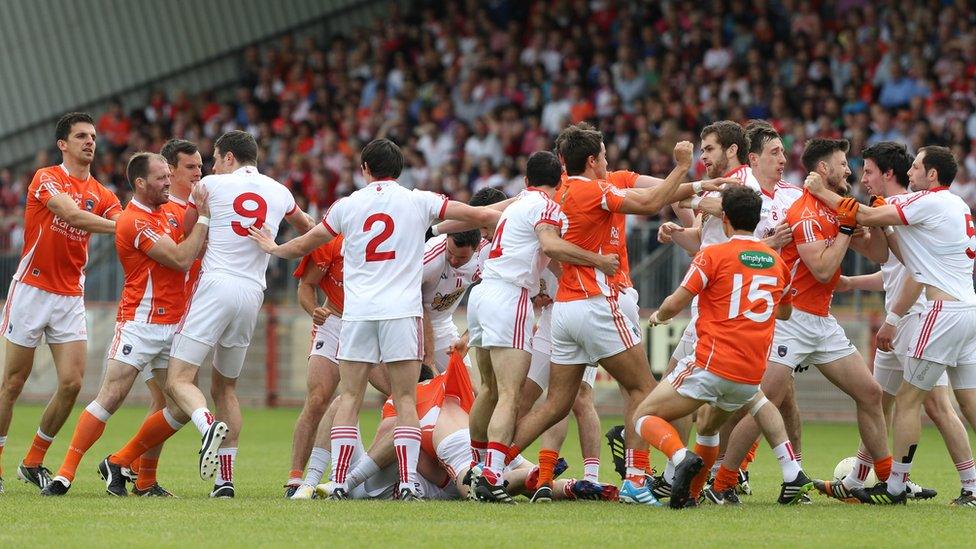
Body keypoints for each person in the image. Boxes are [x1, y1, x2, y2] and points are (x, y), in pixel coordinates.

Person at [249, 138, 500, 500]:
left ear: (364, 168)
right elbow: (481, 215)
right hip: (401, 313)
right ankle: (409, 482)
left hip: (358, 314)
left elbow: (306, 243)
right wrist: (517, 208)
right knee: (407, 400)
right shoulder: (419, 200)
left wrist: (273, 248)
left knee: (349, 395)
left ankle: (337, 480)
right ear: (400, 169)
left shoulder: (347, 205)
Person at [503, 125, 695, 506]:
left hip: (566, 308)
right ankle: (636, 480)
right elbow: (648, 202)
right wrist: (681, 167)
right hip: (597, 301)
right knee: (642, 389)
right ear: (591, 161)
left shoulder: (559, 193)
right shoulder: (595, 188)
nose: (607, 162)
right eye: (604, 156)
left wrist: (707, 185)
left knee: (557, 403)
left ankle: (493, 466)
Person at [710, 138, 892, 502]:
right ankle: (721, 483)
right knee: (767, 400)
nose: (848, 170)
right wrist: (844, 228)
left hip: (821, 322)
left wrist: (865, 229)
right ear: (823, 169)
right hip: (790, 320)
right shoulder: (806, 213)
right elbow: (823, 271)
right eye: (842, 163)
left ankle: (890, 483)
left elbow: (880, 255)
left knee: (870, 393)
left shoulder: (832, 207)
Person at [805, 145, 976, 507]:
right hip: (961, 308)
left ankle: (898, 483)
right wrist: (854, 279)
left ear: (930, 175)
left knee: (918, 404)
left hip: (929, 316)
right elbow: (897, 259)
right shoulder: (955, 204)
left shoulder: (919, 202)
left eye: (867, 171)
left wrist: (821, 192)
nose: (861, 177)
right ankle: (857, 478)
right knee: (879, 401)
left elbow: (913, 271)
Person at [40, 152, 209, 497]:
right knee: (111, 396)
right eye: (161, 177)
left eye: (168, 175)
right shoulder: (133, 220)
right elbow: (180, 259)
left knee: (175, 406)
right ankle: (64, 474)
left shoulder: (171, 212)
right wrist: (205, 219)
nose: (167, 182)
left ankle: (124, 463)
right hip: (140, 323)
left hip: (174, 324)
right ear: (141, 183)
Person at [635, 185, 812, 509]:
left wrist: (659, 316)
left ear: (725, 220)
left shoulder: (714, 255)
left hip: (712, 362)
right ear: (757, 220)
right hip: (749, 373)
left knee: (643, 416)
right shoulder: (777, 263)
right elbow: (785, 312)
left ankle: (678, 457)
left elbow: (677, 302)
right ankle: (692, 494)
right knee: (709, 428)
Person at [160, 130, 315, 498]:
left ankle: (206, 424)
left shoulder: (212, 185)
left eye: (214, 159)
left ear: (229, 158)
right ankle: (224, 481)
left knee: (178, 380)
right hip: (252, 292)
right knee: (226, 387)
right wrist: (276, 248)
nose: (210, 167)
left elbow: (187, 234)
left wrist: (206, 221)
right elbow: (311, 229)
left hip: (215, 284)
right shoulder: (280, 192)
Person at [464, 151, 619, 503]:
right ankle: (490, 474)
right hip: (510, 298)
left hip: (482, 295)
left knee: (488, 390)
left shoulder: (516, 205)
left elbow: (537, 254)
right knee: (510, 394)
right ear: (560, 180)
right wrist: (598, 262)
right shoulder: (547, 207)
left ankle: (477, 465)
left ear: (526, 180)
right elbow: (550, 245)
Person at [0, 112, 120, 493]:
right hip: (32, 291)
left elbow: (129, 220)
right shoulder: (46, 178)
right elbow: (70, 215)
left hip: (69, 296)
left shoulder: (103, 194)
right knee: (13, 383)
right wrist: (125, 226)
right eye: (81, 136)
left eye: (94, 137)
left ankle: (33, 460)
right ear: (62, 144)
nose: (90, 142)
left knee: (71, 384)